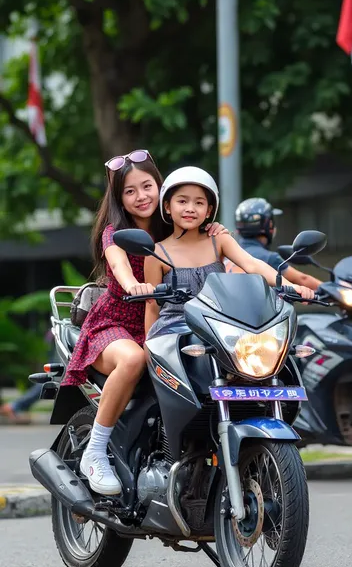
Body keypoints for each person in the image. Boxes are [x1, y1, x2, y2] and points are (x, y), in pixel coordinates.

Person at [61, 151, 226, 496]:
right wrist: (134, 283)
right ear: (120, 199)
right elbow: (119, 265)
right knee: (134, 358)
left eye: (147, 186)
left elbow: (216, 255)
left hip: (169, 323)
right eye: (130, 191)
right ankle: (95, 451)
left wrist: (217, 234)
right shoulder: (115, 233)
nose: (142, 196)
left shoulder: (177, 226)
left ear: (161, 187)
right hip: (115, 323)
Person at [144, 168, 314, 339]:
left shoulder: (218, 239)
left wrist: (291, 286)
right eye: (182, 201)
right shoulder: (156, 253)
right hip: (174, 332)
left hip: (220, 328)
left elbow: (252, 264)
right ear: (167, 206)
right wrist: (148, 350)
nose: (190, 208)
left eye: (199, 203)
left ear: (209, 211)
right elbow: (152, 306)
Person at [225, 197, 321, 290]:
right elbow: (302, 279)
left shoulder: (228, 254)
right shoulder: (269, 258)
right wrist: (332, 290)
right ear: (268, 225)